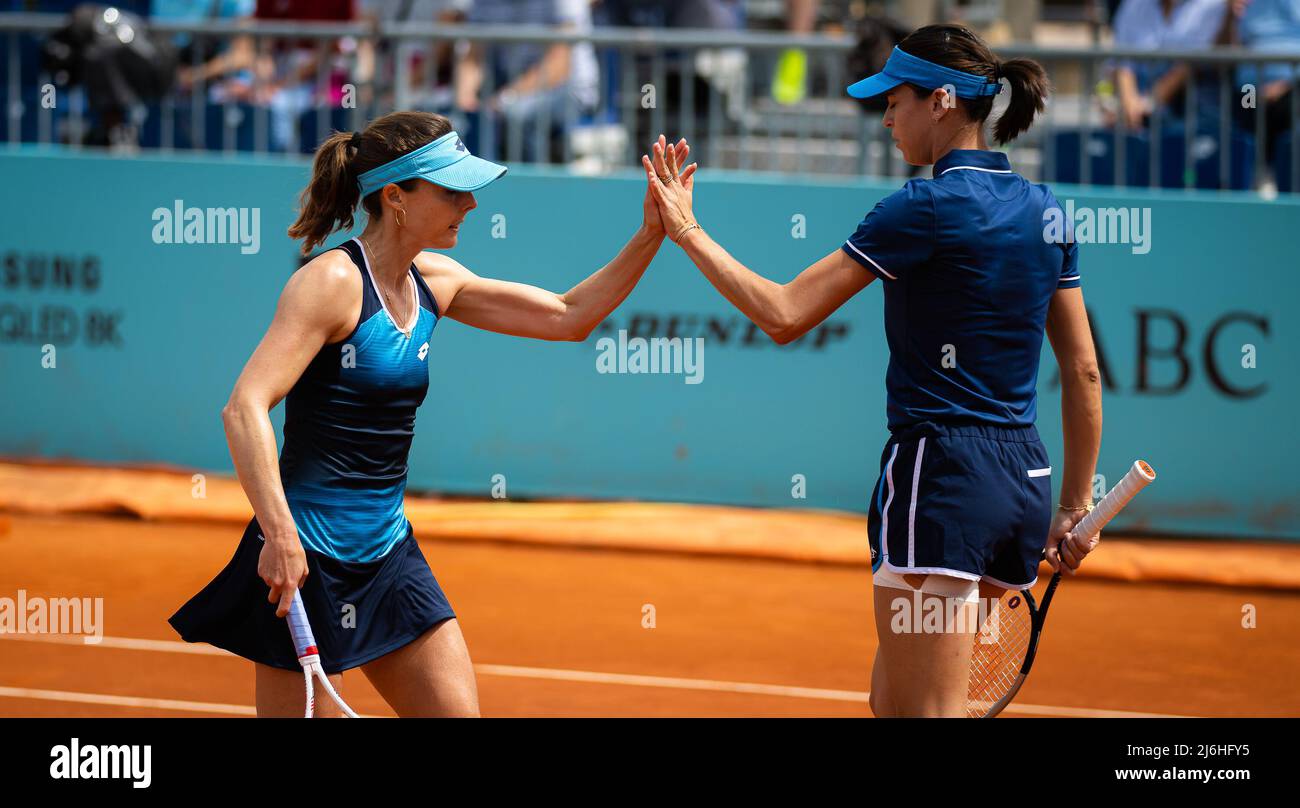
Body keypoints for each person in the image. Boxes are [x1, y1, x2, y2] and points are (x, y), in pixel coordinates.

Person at [643, 24, 1104, 718]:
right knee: (891, 704)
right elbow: (1084, 372)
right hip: (1022, 486)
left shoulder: (922, 207)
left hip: (941, 481)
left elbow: (784, 313)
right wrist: (1073, 506)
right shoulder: (1047, 212)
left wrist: (687, 231)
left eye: (897, 99)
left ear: (942, 101)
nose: (886, 116)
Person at [169, 111, 690, 716]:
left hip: (388, 558)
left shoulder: (434, 280)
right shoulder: (331, 283)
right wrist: (280, 535)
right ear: (395, 197)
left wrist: (652, 233)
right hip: (305, 560)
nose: (469, 204)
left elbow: (568, 316)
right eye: (451, 190)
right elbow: (245, 408)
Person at [1109, 0, 1228, 130]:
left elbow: (1189, 65)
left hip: (1186, 102)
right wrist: (1130, 104)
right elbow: (1123, 63)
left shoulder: (1212, 5)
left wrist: (1146, 104)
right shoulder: (1134, 4)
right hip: (1140, 97)